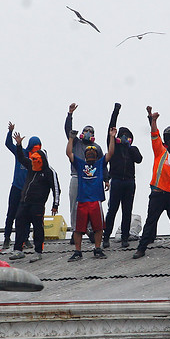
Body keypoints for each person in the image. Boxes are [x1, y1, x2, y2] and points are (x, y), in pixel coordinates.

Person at [133, 108, 170, 259]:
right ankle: (141, 248)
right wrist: (153, 120)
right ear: (168, 145)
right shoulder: (160, 153)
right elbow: (154, 135)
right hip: (158, 195)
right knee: (150, 223)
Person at [9, 132, 60, 263]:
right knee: (19, 223)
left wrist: (55, 205)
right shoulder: (31, 166)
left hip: (38, 205)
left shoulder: (49, 172)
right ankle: (18, 250)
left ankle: (38, 251)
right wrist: (19, 145)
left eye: (37, 159)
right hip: (24, 202)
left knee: (38, 227)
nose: (34, 161)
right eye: (33, 159)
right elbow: (20, 157)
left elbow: (56, 189)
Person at [66, 127, 116, 261]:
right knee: (78, 229)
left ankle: (97, 249)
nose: (90, 154)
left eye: (93, 152)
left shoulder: (99, 164)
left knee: (98, 227)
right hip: (82, 201)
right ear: (85, 155)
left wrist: (112, 137)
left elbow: (110, 153)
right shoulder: (80, 164)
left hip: (95, 201)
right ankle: (77, 251)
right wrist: (71, 138)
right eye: (88, 152)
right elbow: (69, 153)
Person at [64, 102, 109, 244]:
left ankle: (90, 229)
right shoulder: (76, 142)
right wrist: (70, 114)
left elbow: (103, 164)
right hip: (77, 176)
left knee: (92, 204)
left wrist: (106, 179)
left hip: (92, 179)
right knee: (74, 205)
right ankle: (75, 231)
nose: (88, 133)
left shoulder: (97, 148)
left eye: (91, 131)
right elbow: (68, 131)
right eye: (86, 130)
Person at [102, 103, 143, 249]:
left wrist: (129, 146)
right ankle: (106, 237)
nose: (125, 138)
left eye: (128, 136)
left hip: (130, 182)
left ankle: (125, 238)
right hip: (117, 180)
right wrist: (116, 111)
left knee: (127, 211)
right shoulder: (114, 146)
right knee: (112, 210)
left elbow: (139, 159)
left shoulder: (132, 149)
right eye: (123, 136)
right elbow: (110, 129)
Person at [2, 121, 37, 250]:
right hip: (16, 187)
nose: (36, 148)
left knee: (26, 215)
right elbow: (8, 144)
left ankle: (25, 238)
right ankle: (7, 237)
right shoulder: (20, 151)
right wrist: (10, 132)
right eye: (35, 146)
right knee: (11, 213)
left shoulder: (37, 158)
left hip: (28, 191)